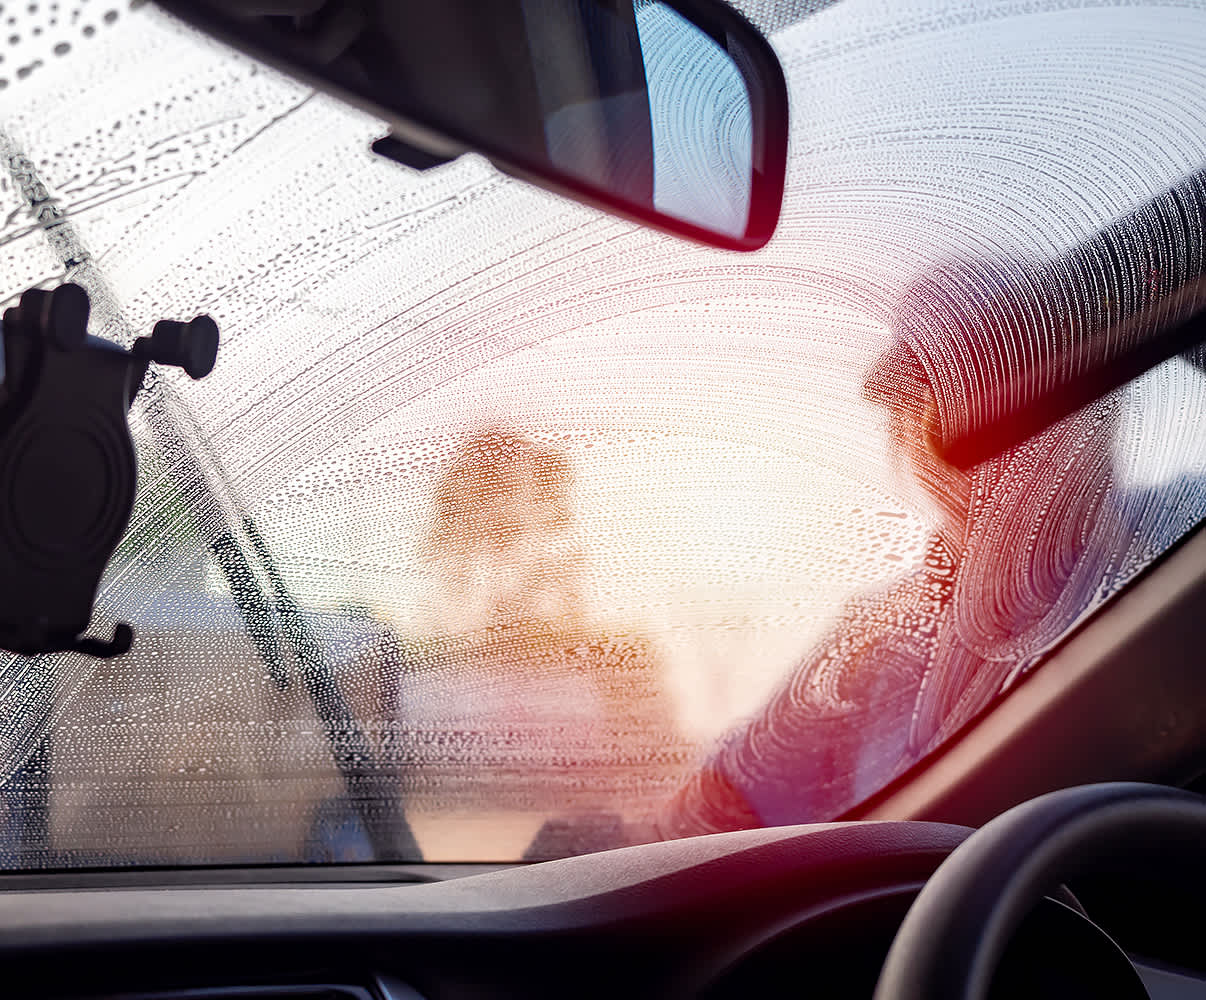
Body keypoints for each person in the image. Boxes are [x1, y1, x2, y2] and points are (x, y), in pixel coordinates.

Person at [657, 289, 1127, 837]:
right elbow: (733, 793)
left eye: (979, 404)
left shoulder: (1159, 571)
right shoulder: (880, 631)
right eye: (915, 409)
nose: (929, 443)